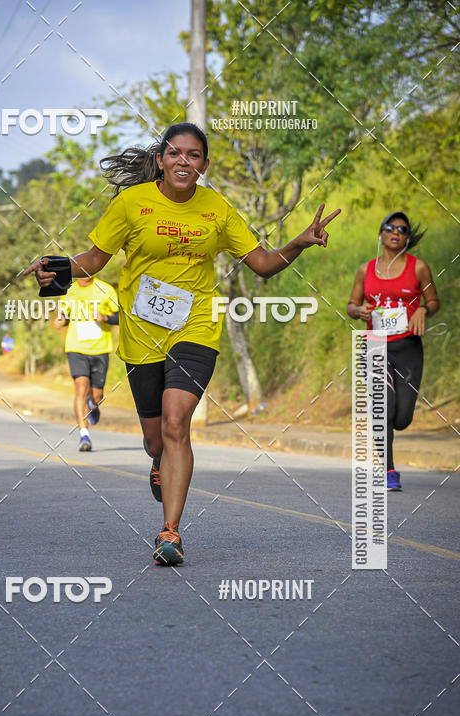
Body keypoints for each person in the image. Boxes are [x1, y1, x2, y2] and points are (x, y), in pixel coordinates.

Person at [26, 122, 340, 564]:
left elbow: (263, 264)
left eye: (193, 156)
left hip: (195, 328)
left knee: (177, 424)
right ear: (161, 160)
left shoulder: (217, 208)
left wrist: (299, 243)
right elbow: (95, 261)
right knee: (156, 439)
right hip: (140, 333)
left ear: (204, 165)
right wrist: (55, 269)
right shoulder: (132, 203)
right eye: (175, 153)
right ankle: (158, 463)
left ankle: (170, 532)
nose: (183, 162)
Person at [347, 211, 440, 491]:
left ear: (407, 238)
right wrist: (358, 311)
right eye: (390, 227)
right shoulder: (366, 270)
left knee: (402, 418)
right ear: (381, 234)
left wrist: (423, 309)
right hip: (374, 347)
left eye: (402, 229)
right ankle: (389, 470)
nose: (395, 232)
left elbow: (433, 300)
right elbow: (351, 305)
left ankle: (396, 428)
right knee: (383, 407)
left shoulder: (419, 268)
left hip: (408, 347)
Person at [51, 275, 119, 451]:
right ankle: (84, 435)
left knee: (97, 395)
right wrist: (60, 321)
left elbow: (120, 317)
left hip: (100, 349)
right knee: (80, 387)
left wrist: (105, 317)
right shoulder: (69, 291)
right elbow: (65, 316)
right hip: (76, 347)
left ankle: (93, 404)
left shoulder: (106, 289)